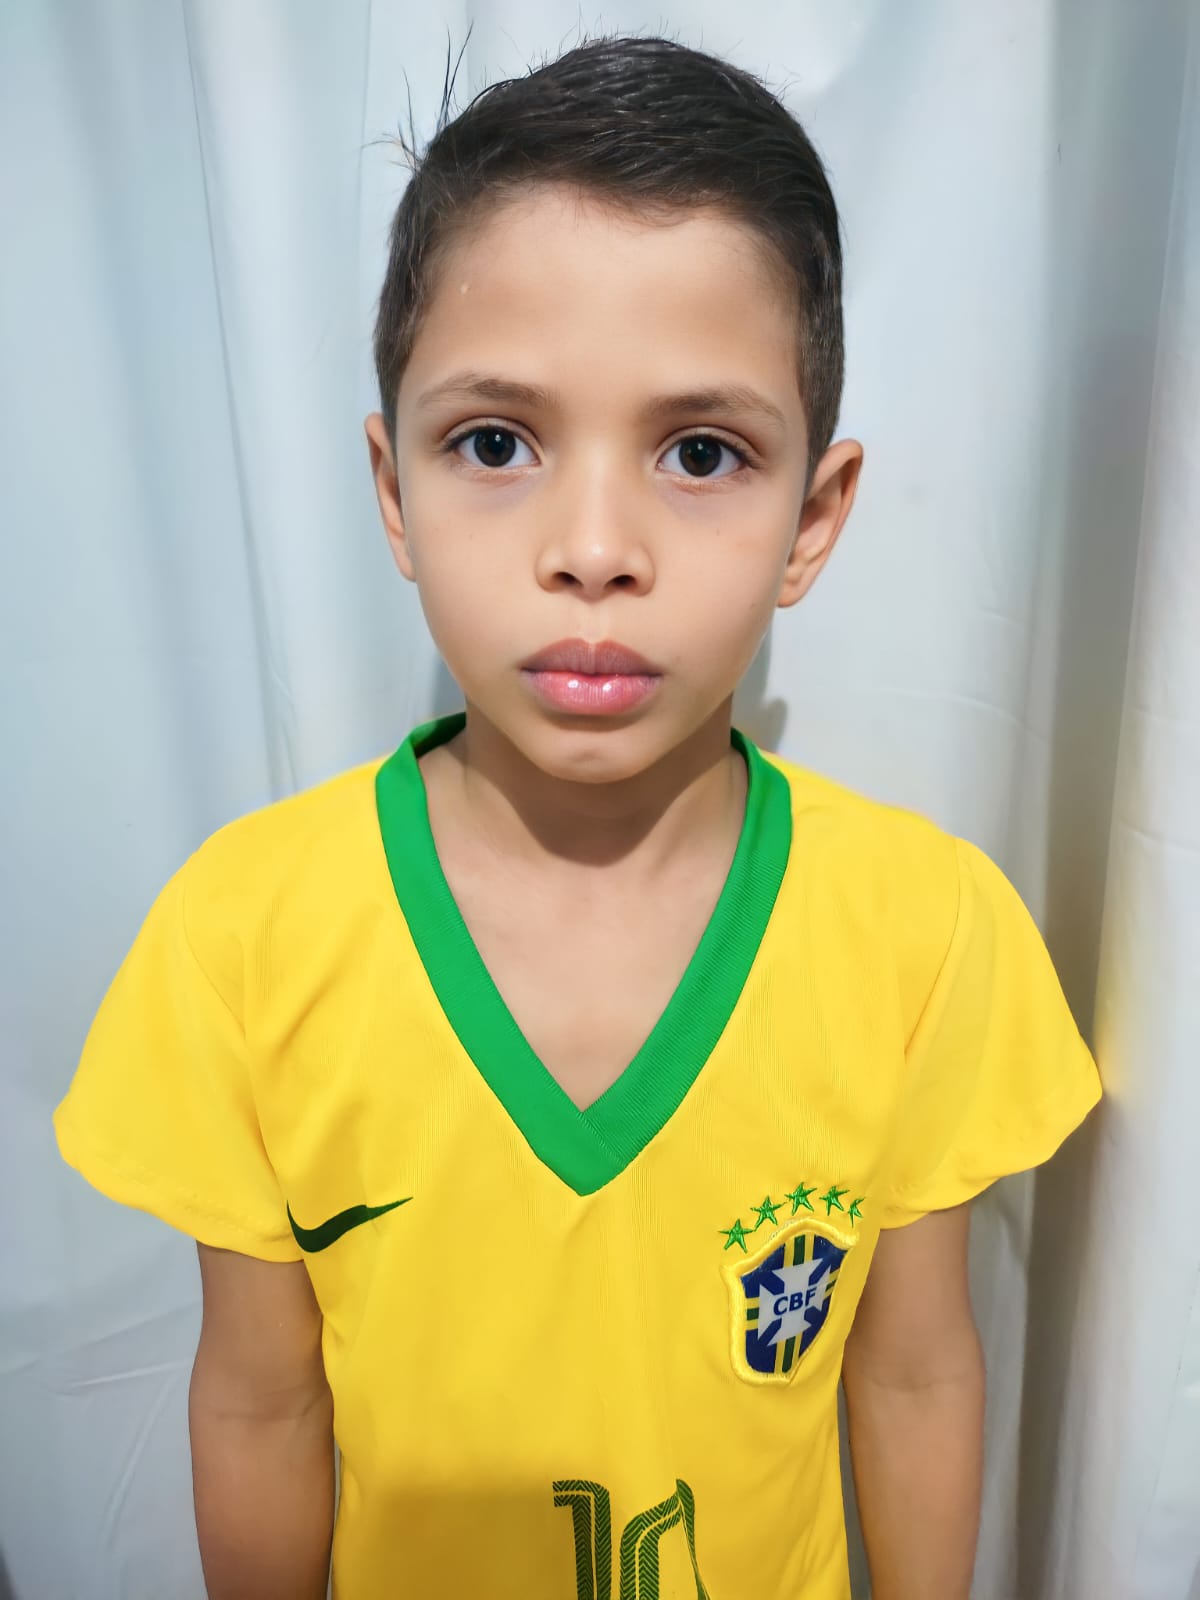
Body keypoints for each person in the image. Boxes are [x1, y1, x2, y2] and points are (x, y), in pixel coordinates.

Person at [53, 32, 1103, 1600]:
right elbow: (261, 1402)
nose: (595, 547)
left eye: (701, 452)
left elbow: (915, 1374)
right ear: (394, 492)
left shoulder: (926, 934)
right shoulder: (242, 941)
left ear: (812, 518)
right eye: (496, 443)